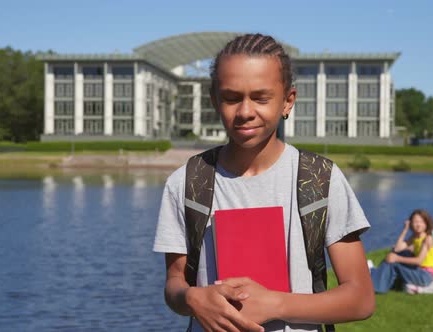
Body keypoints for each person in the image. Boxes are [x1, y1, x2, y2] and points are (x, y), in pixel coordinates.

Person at [153, 33, 374, 332]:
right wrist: (192, 297)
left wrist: (276, 304)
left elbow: (360, 298)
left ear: (288, 101)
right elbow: (174, 284)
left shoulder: (320, 179)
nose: (245, 112)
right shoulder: (187, 183)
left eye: (260, 97)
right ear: (214, 101)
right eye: (231, 98)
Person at [369, 209, 433, 293]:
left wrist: (397, 258)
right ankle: (376, 276)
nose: (418, 225)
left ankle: (377, 285)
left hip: (426, 276)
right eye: (415, 222)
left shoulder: (428, 238)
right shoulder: (415, 237)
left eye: (421, 222)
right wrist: (405, 229)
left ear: (426, 223)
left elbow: (419, 261)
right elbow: (397, 248)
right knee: (399, 253)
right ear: (411, 223)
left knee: (395, 262)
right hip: (419, 271)